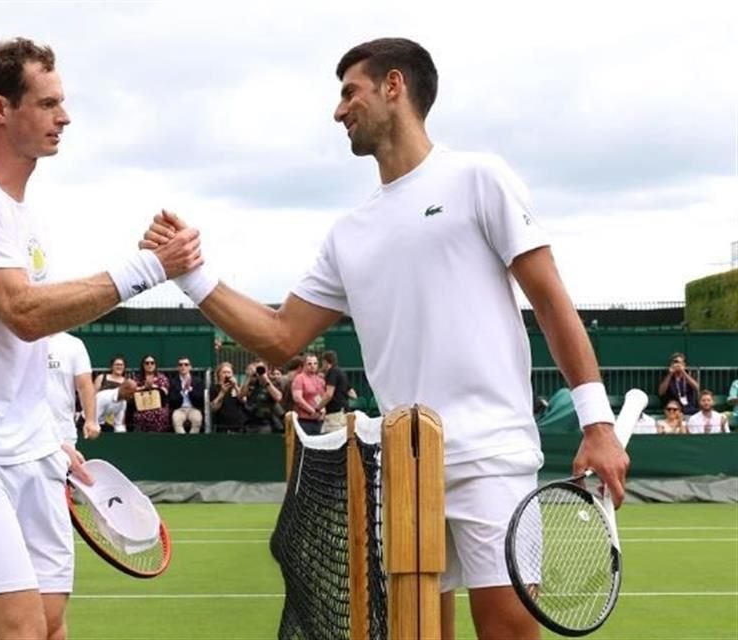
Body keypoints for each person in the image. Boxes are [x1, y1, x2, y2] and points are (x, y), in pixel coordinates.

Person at [141, 38, 628, 640]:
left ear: (393, 86)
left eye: (350, 92)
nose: (339, 110)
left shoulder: (479, 177)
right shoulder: (349, 234)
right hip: (403, 469)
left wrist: (598, 426)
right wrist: (190, 274)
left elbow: (552, 303)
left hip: (492, 458)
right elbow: (277, 338)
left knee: (509, 633)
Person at [0, 38, 201, 640]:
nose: (64, 117)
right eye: (48, 103)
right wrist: (148, 268)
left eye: (62, 103)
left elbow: (24, 347)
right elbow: (24, 313)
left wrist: (43, 434)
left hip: (31, 449)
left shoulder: (26, 215)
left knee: (49, 625)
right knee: (15, 631)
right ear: (1, 109)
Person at [46, 333, 97, 444]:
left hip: (62, 429)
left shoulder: (74, 344)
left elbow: (84, 385)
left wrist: (91, 420)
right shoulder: (18, 341)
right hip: (22, 431)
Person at [241, 359, 283, 433]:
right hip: (250, 421)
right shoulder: (251, 382)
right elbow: (241, 395)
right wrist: (248, 377)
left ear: (267, 370)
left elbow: (278, 397)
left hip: (265, 422)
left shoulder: (272, 382)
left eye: (262, 368)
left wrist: (265, 379)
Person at [132, 355, 171, 432]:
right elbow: (132, 391)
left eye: (152, 363)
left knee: (160, 414)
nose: (149, 365)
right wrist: (144, 387)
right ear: (143, 365)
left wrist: (153, 386)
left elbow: (165, 392)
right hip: (142, 407)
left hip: (158, 407)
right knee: (139, 416)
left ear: (155, 365)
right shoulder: (137, 378)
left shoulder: (161, 377)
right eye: (147, 363)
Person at [167, 357, 205, 434]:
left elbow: (200, 400)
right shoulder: (173, 382)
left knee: (197, 420)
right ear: (178, 368)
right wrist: (182, 391)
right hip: (179, 409)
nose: (183, 367)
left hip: (193, 408)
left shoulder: (198, 381)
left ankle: (191, 442)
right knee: (176, 420)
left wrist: (190, 390)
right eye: (180, 365)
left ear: (190, 367)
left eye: (186, 364)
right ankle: (183, 442)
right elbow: (172, 401)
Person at [291, 353, 326, 434]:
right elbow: (297, 398)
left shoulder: (319, 380)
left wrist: (323, 411)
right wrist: (312, 411)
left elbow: (321, 398)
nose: (312, 366)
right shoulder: (299, 378)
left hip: (319, 420)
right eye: (309, 364)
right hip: (304, 420)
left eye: (315, 363)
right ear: (304, 365)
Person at [318, 350, 350, 433]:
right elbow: (353, 394)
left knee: (329, 440)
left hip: (334, 414)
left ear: (325, 362)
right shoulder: (342, 373)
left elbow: (329, 394)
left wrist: (317, 409)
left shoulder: (332, 372)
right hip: (344, 411)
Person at [94, 355, 128, 432]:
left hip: (114, 416)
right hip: (97, 414)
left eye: (121, 365)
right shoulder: (101, 377)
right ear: (112, 366)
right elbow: (92, 396)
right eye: (117, 364)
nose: (119, 367)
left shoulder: (126, 382)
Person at [211, 361, 247, 432]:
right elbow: (214, 408)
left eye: (229, 372)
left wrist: (235, 386)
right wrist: (222, 393)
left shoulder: (238, 388)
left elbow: (244, 400)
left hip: (239, 425)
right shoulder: (214, 388)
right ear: (219, 374)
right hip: (223, 425)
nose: (227, 375)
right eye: (224, 372)